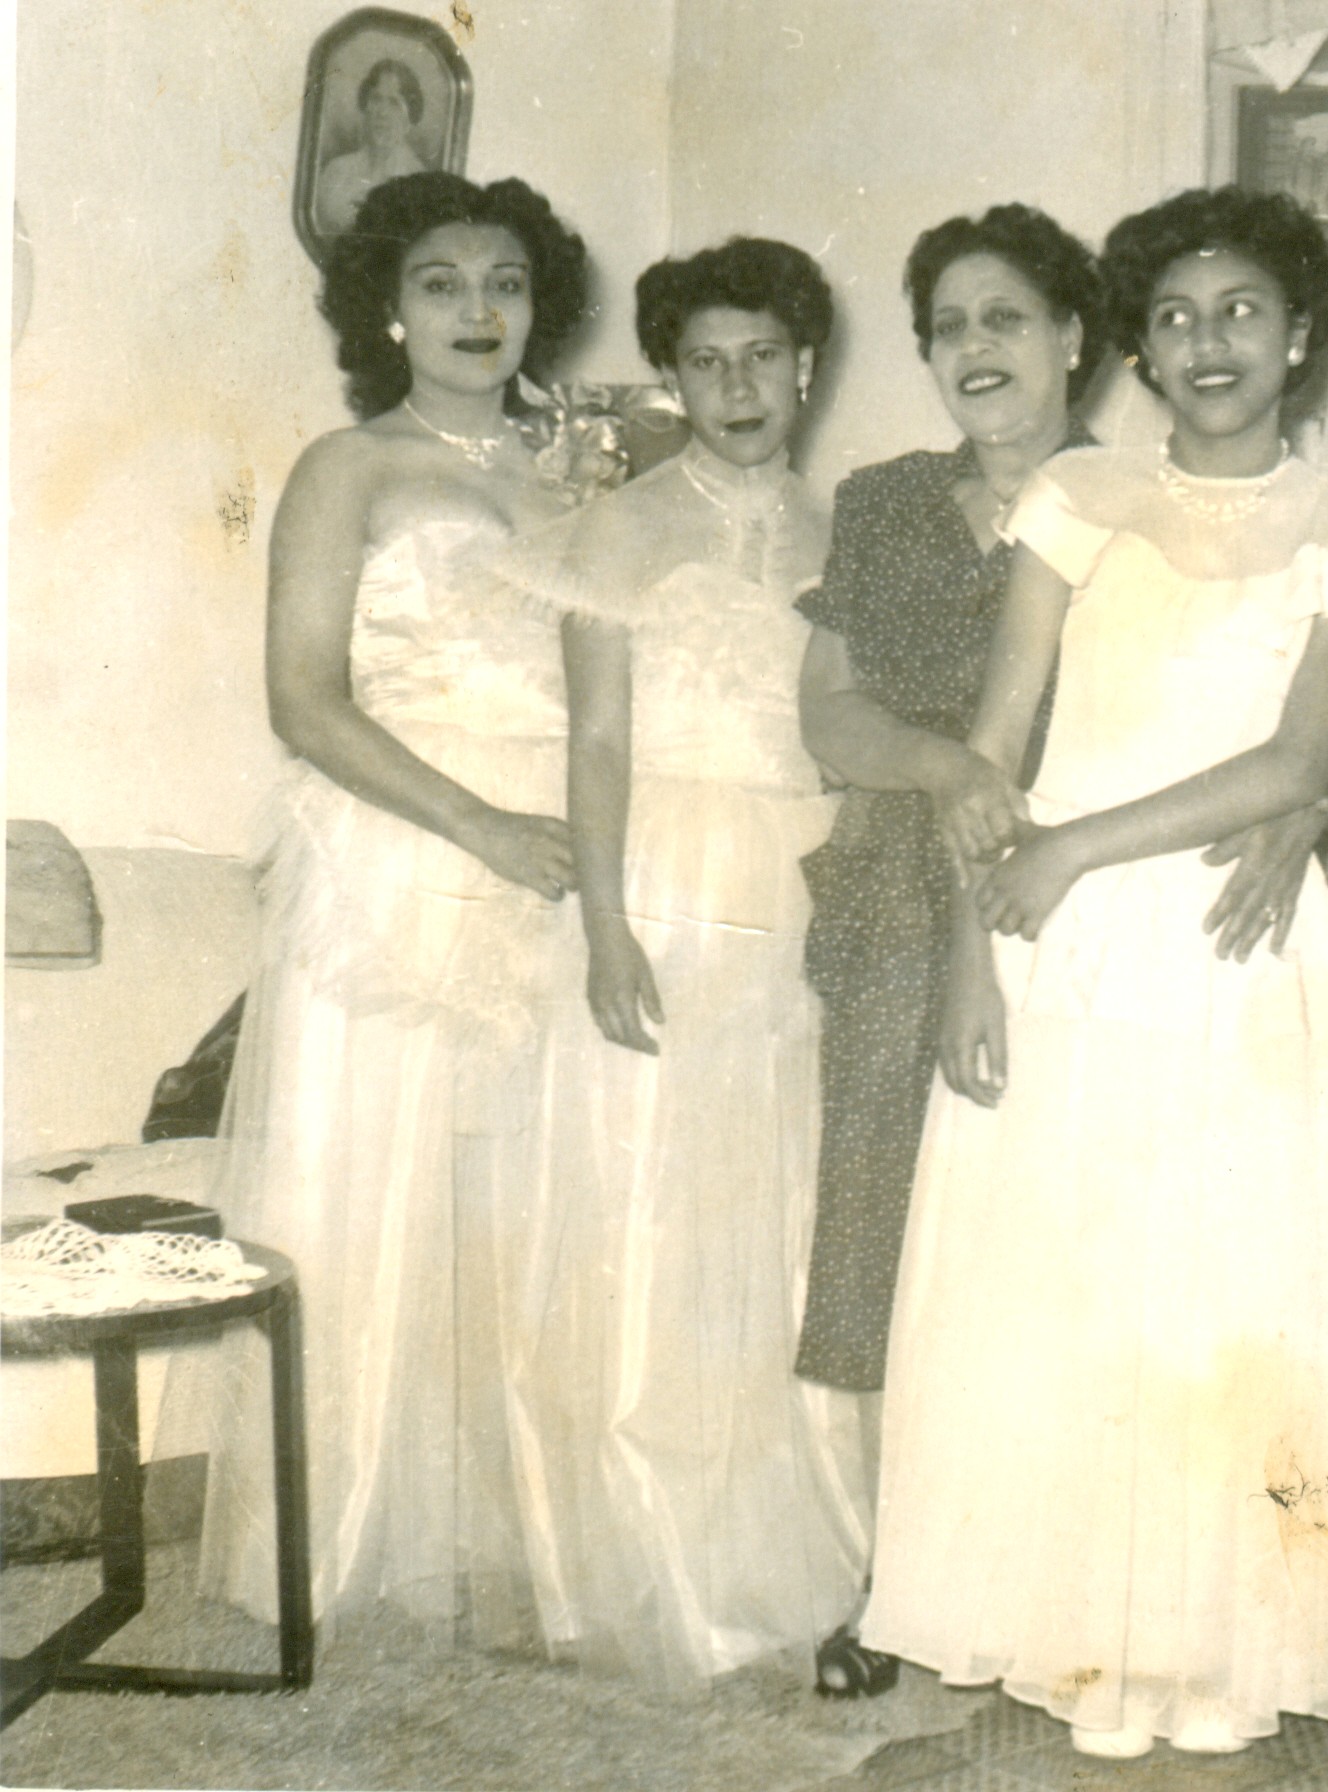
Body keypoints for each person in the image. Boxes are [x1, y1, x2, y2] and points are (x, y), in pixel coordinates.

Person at [861, 186, 1328, 1757]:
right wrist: (972, 959)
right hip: (1053, 943)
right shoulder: (1079, 498)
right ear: (1136, 347)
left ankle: (1212, 1647)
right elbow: (989, 754)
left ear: (1300, 334)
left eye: (1241, 310)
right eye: (1174, 318)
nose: (1207, 343)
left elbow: (1295, 760)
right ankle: (1072, 1632)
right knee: (1065, 1298)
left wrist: (1077, 848)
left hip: (1229, 954)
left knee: (1221, 1304)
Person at [792, 205, 1326, 1695]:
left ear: (1077, 338)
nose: (976, 350)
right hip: (901, 887)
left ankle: (1063, 1580)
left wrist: (1305, 803)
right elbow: (824, 712)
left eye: (1007, 319)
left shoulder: (1147, 495)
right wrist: (944, 771)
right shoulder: (886, 503)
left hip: (1091, 899)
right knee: (880, 1232)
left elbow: (1251, 692)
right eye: (948, 327)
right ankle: (894, 1575)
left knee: (1059, 1252)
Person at [197, 173, 622, 1657]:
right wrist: (476, 826)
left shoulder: (579, 481)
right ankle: (337, 1535)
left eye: (505, 281)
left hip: (553, 856)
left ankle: (519, 1539)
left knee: (529, 1205)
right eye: (440, 283)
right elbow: (303, 701)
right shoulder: (348, 466)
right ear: (387, 308)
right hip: (394, 847)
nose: (477, 310)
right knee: (365, 1185)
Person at [541, 235, 874, 1688]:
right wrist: (604, 922)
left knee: (787, 1209)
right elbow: (595, 740)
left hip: (802, 880)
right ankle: (665, 1561)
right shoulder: (618, 527)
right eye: (705, 361)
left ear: (806, 367)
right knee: (659, 1214)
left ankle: (804, 1538)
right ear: (671, 378)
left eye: (763, 357)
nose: (736, 386)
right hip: (666, 881)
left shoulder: (847, 534)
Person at [315, 59, 431, 237]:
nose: (382, 112)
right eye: (376, 99)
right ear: (365, 105)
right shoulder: (335, 172)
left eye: (394, 103)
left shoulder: (420, 185)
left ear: (410, 116)